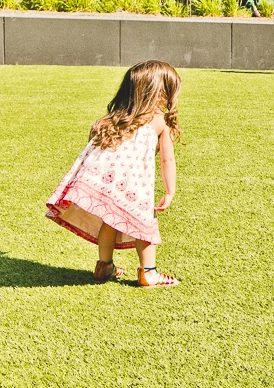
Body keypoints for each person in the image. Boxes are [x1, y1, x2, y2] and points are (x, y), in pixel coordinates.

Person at [45, 60, 183, 287]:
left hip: (108, 182)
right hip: (135, 185)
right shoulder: (160, 121)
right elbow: (168, 160)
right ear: (160, 92)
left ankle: (104, 266)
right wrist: (169, 191)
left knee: (110, 221)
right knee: (146, 222)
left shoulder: (114, 119)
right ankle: (149, 272)